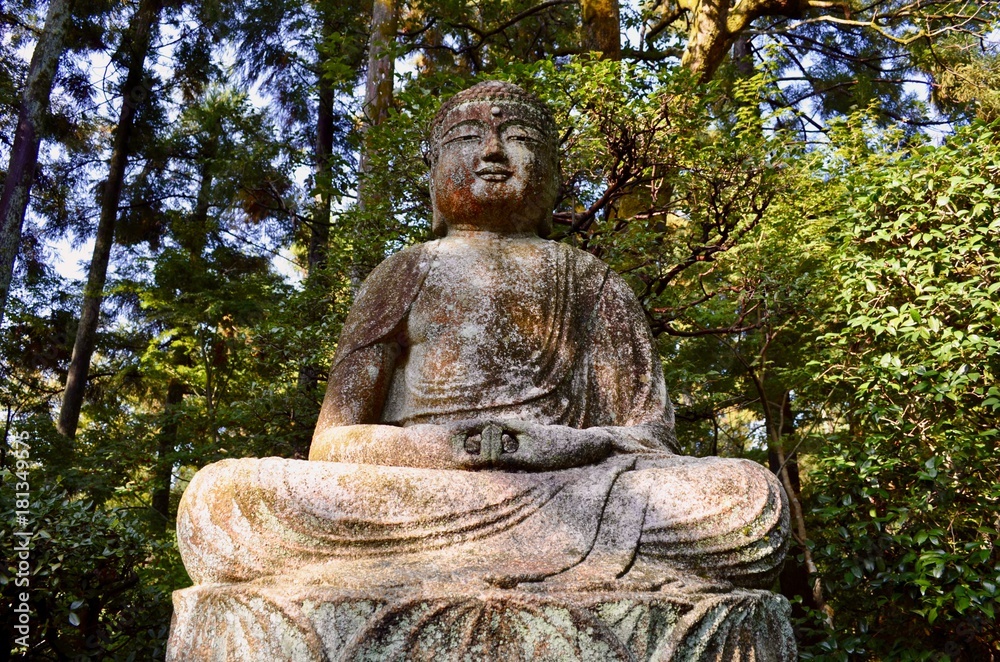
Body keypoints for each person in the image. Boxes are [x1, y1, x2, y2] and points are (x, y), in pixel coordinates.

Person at [176, 82, 788, 594]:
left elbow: (648, 439)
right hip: (418, 488)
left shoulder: (594, 283)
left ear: (551, 174)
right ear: (434, 174)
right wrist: (458, 450)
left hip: (567, 491)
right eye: (468, 138)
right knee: (223, 498)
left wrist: (541, 448)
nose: (494, 152)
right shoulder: (405, 271)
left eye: (519, 139)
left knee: (746, 499)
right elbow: (335, 443)